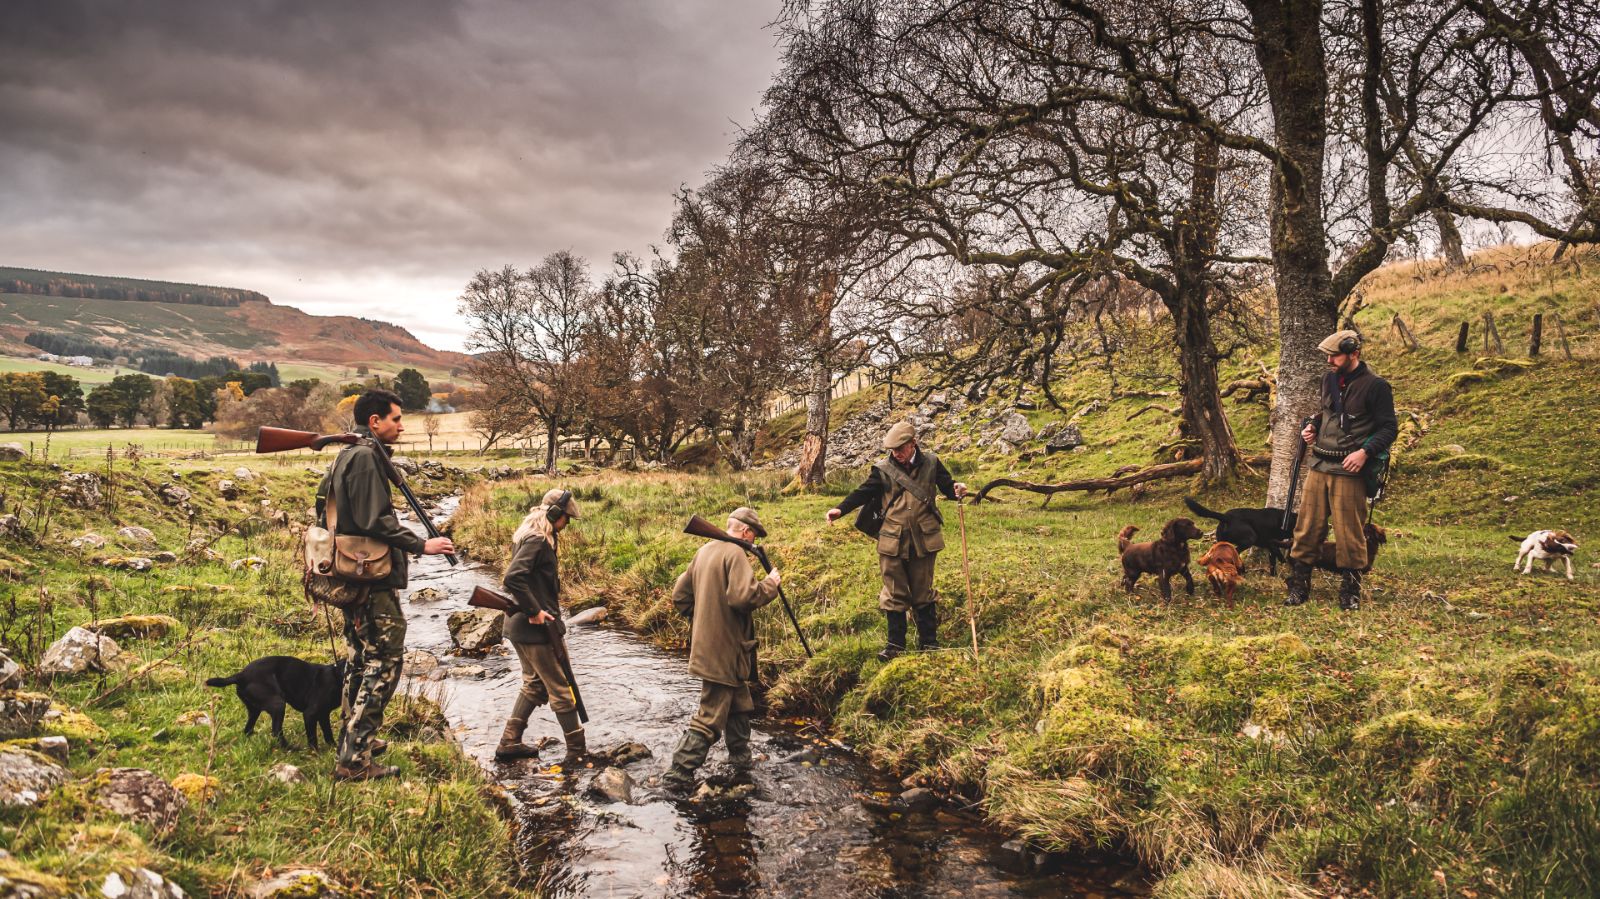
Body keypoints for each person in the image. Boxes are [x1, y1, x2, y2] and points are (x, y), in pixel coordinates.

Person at [317, 388, 455, 781]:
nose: (401, 424)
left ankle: (354, 737)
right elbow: (375, 520)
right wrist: (421, 544)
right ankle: (355, 758)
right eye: (396, 418)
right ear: (374, 421)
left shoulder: (352, 452)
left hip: (357, 569)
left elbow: (325, 506)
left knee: (361, 655)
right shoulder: (362, 456)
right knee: (386, 659)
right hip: (369, 575)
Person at [660, 507, 782, 794]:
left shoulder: (705, 551)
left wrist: (704, 619)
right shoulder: (735, 553)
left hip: (709, 648)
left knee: (739, 703)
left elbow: (680, 597)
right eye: (753, 535)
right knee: (710, 716)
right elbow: (744, 597)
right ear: (745, 532)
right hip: (725, 650)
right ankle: (677, 774)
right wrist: (770, 585)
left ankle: (741, 761)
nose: (753, 542)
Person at [826, 422, 966, 660]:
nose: (896, 454)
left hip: (924, 538)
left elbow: (947, 486)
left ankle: (929, 644)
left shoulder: (932, 463)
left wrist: (957, 489)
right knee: (893, 591)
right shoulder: (882, 469)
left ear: (913, 443)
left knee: (923, 590)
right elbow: (863, 492)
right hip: (891, 539)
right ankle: (895, 646)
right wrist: (840, 510)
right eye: (892, 450)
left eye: (900, 449)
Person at [1285, 330, 1397, 611]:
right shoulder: (1328, 379)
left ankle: (1350, 592)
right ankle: (1299, 587)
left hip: (1350, 468)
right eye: (1328, 355)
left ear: (1354, 354)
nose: (1329, 360)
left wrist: (1364, 453)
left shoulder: (1376, 386)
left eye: (1334, 356)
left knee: (1350, 533)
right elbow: (1329, 413)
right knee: (1307, 527)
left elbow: (1388, 428)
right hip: (1319, 463)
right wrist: (1313, 427)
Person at [495, 488, 586, 766]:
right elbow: (513, 578)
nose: (567, 524)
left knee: (534, 685)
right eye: (566, 519)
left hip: (521, 628)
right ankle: (578, 753)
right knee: (560, 689)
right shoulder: (537, 540)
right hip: (535, 630)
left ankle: (509, 742)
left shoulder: (530, 535)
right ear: (555, 514)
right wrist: (535, 611)